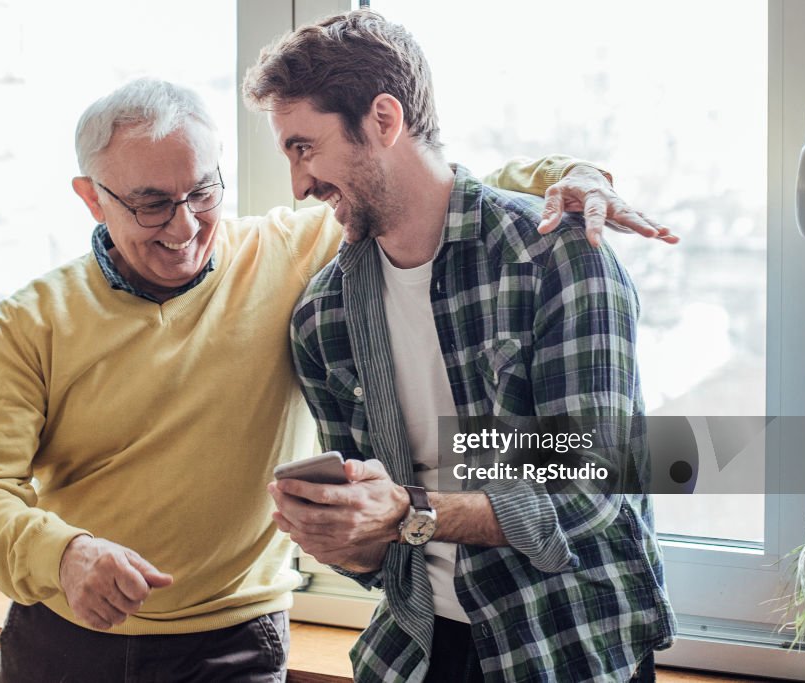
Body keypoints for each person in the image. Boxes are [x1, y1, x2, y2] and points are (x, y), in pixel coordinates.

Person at [0, 77, 669, 682]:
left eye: (202, 193)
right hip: (69, 642)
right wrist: (60, 553)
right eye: (151, 203)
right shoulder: (31, 320)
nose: (184, 226)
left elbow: (429, 183)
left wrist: (567, 174)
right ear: (91, 197)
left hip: (236, 644)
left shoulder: (287, 252)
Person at [247, 10, 676, 683]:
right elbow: (375, 555)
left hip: (565, 646)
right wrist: (342, 529)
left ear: (384, 121)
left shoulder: (554, 261)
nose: (298, 183)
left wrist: (409, 512)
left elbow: (588, 484)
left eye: (305, 147)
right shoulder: (323, 319)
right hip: (420, 651)